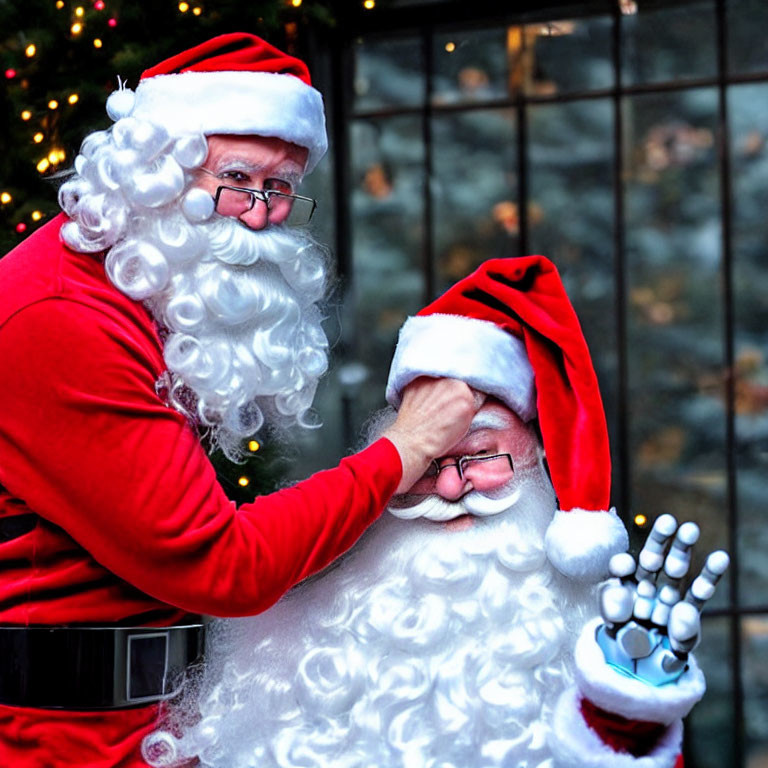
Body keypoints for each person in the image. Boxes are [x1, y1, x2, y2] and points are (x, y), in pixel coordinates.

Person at [0, 33, 483, 768]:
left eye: (281, 188)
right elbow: (223, 565)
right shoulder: (61, 315)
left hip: (142, 730)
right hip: (52, 744)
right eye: (235, 179)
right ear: (153, 171)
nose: (258, 215)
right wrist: (404, 449)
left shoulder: (140, 290)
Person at [145, 256, 728, 768]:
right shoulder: (304, 645)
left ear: (537, 449)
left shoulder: (603, 639)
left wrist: (626, 716)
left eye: (478, 456)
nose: (451, 489)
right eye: (425, 464)